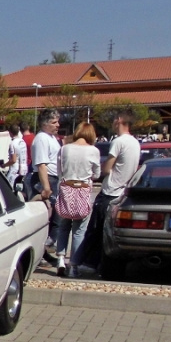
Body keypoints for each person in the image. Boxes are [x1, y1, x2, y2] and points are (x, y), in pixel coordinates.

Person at [71, 110, 140, 275]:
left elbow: (108, 168)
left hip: (110, 191)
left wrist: (97, 170)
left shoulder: (118, 142)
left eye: (115, 119)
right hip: (122, 192)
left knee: (94, 231)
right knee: (108, 234)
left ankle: (86, 264)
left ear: (120, 119)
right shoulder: (135, 143)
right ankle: (101, 265)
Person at [54, 122, 101, 277]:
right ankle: (73, 265)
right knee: (79, 230)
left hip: (66, 189)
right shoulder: (93, 151)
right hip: (82, 191)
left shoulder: (65, 149)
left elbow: (59, 171)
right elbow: (97, 174)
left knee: (63, 226)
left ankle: (60, 259)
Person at [30, 109, 62, 258]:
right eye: (54, 122)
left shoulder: (52, 138)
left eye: (57, 122)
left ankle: (46, 249)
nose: (58, 125)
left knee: (57, 218)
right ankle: (43, 250)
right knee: (49, 218)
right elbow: (42, 164)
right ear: (44, 124)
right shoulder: (42, 138)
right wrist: (46, 187)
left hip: (54, 178)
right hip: (46, 179)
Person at [6, 123, 29, 196]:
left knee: (10, 191)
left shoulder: (13, 143)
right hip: (24, 170)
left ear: (10, 132)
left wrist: (4, 165)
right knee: (20, 192)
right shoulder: (22, 142)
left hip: (14, 171)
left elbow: (13, 160)